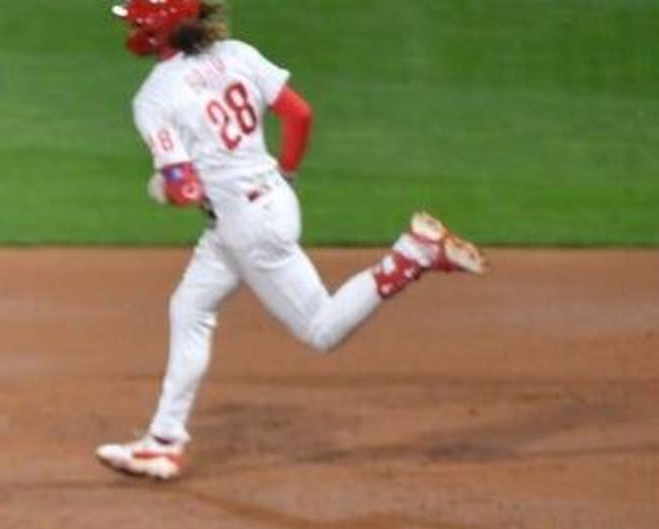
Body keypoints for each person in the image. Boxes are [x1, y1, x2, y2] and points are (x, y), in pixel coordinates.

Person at [97, 0, 488, 482]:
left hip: (245, 225)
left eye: (135, 18)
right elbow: (299, 115)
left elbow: (185, 187)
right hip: (262, 207)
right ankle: (163, 443)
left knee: (321, 330)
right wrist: (286, 174)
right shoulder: (237, 53)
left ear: (155, 26)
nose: (132, 26)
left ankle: (412, 255)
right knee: (189, 308)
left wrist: (165, 189)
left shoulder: (155, 96)